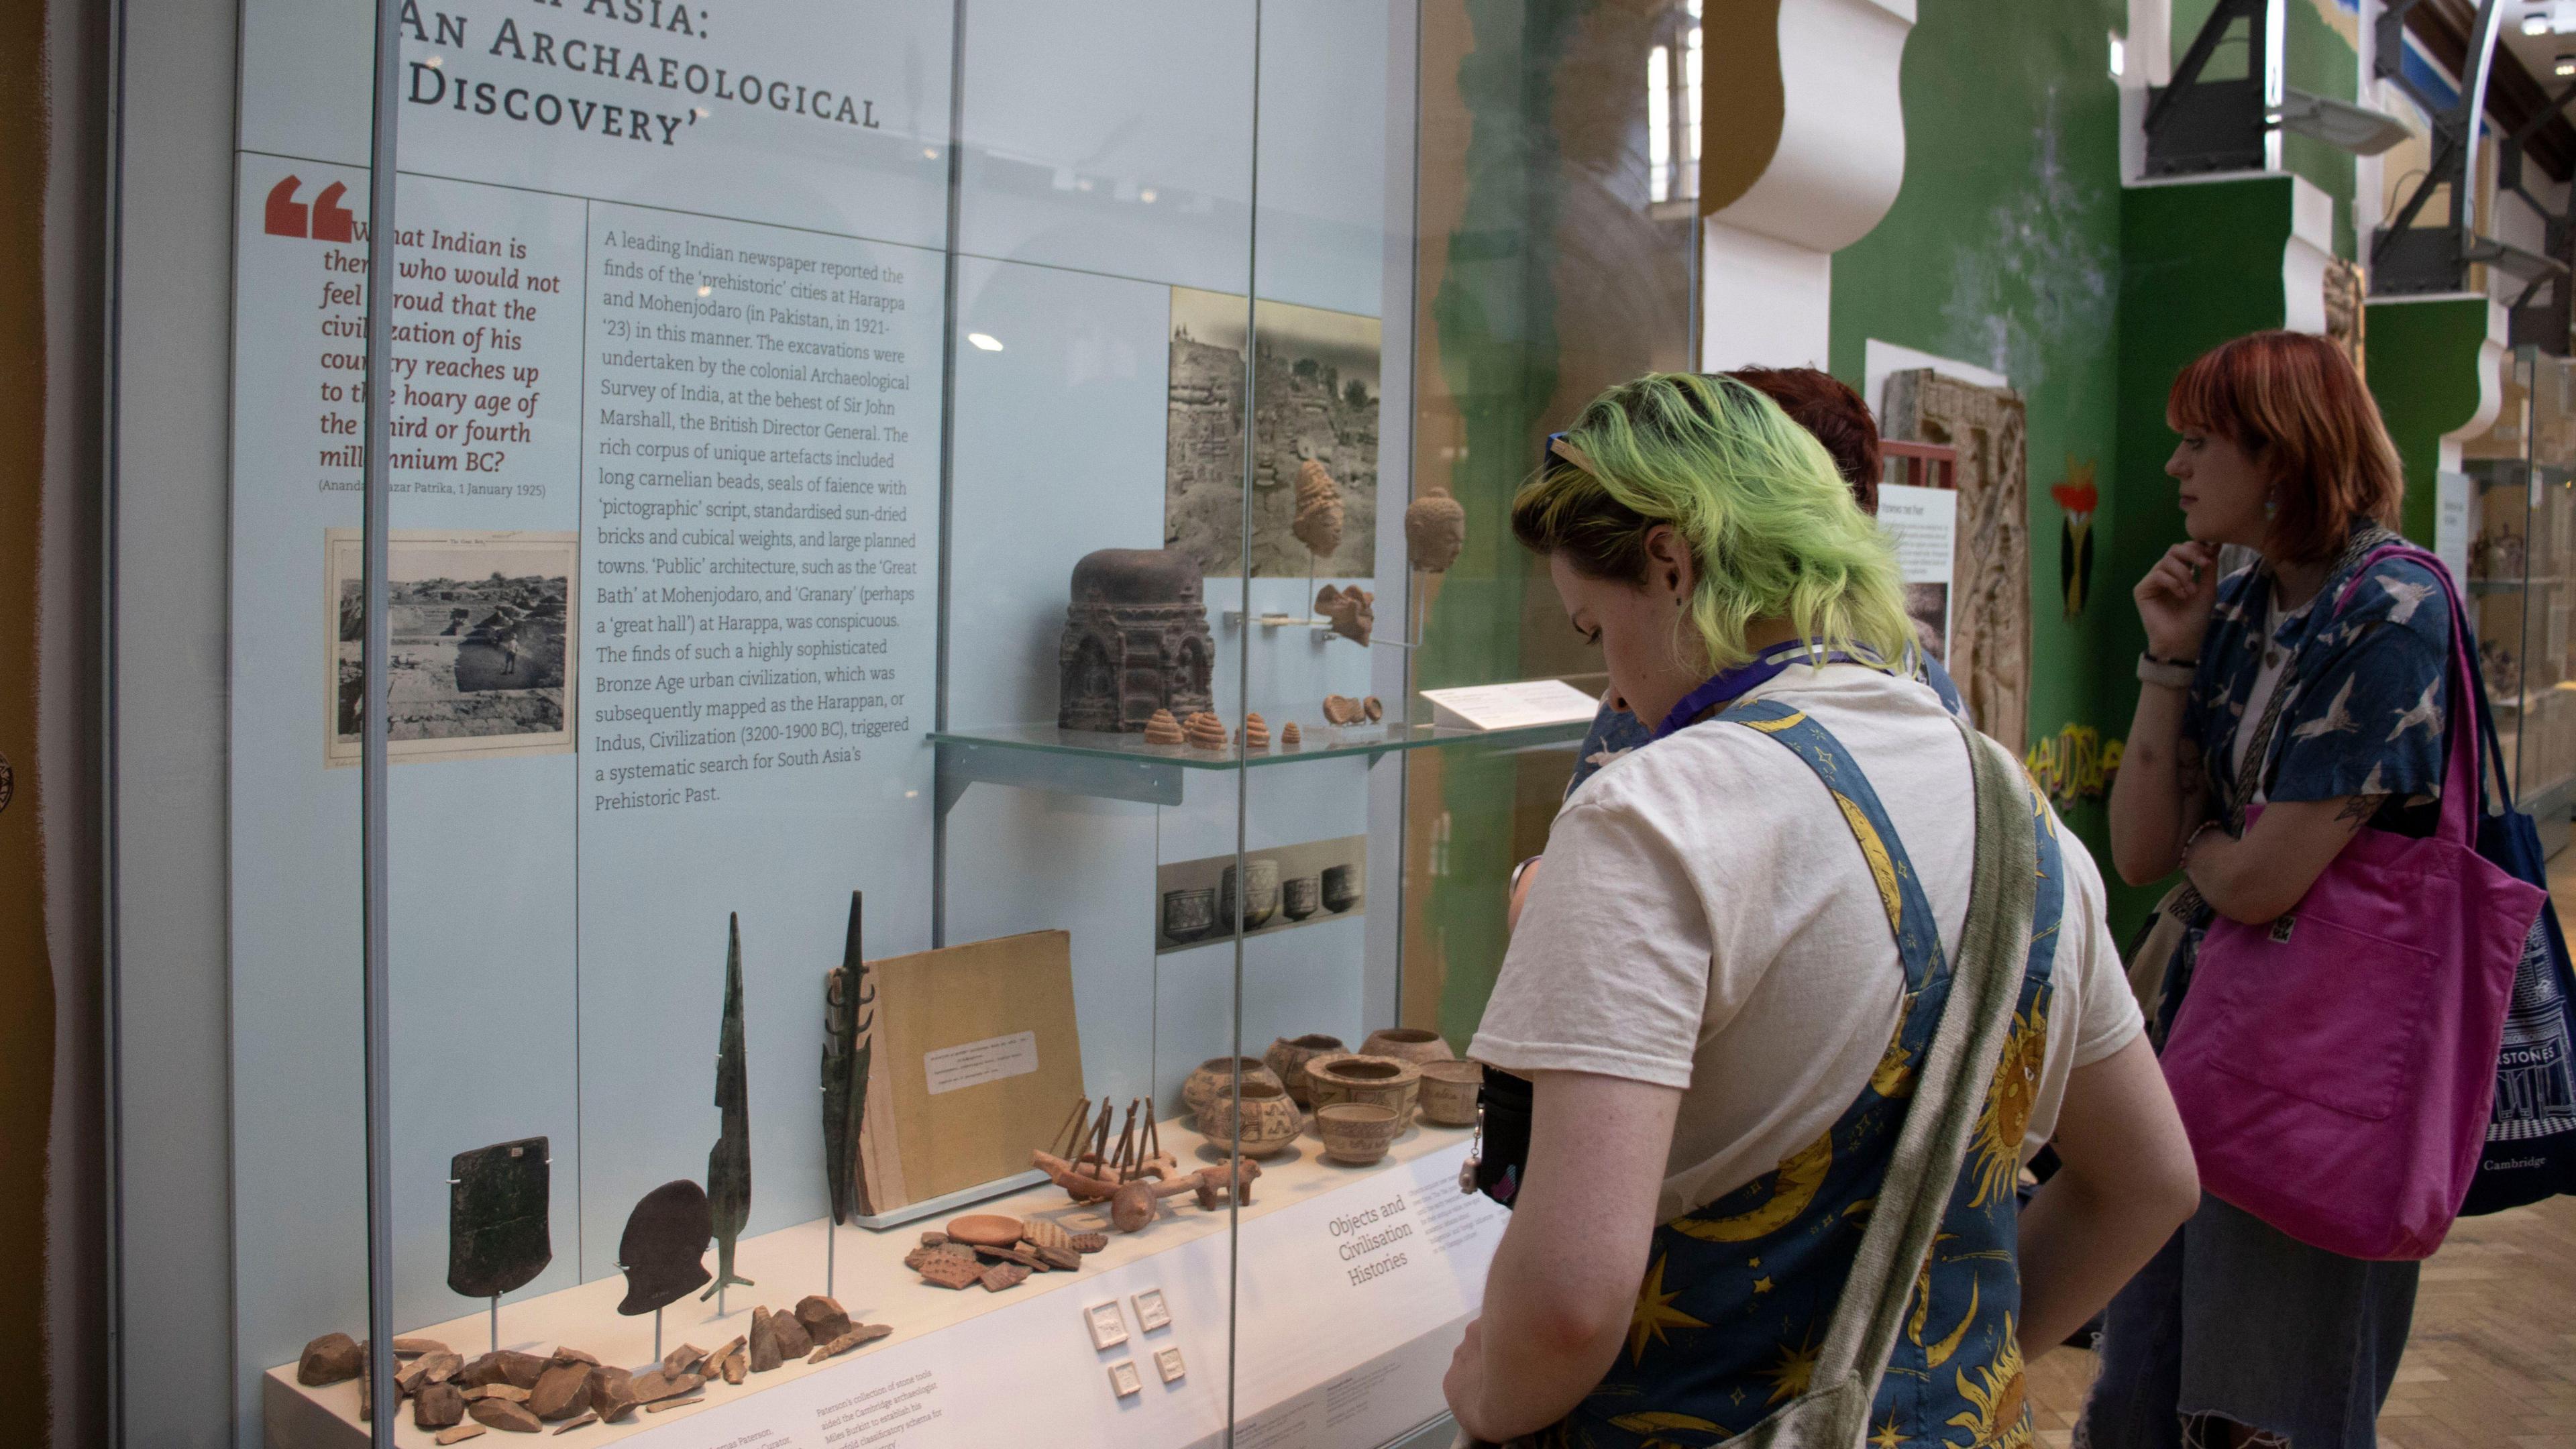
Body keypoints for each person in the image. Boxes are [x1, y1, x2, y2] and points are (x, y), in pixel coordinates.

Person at [1447, 372, 2199, 1446]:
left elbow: (1569, 1306)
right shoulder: (2012, 804)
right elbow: (2150, 1181)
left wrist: (1486, 1397)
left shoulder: (1650, 816)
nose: (1613, 690)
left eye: (1595, 627)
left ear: (1669, 562)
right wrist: (1915, 1383)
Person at [2088, 331, 2448, 1449]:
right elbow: (2144, 848)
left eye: (2200, 441)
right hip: (2205, 1050)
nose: (2175, 467)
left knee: (2272, 1407)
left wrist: (2214, 846)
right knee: (2143, 1388)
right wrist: (2168, 657)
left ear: (2281, 455)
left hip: (2319, 1071)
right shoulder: (2239, 598)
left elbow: (2254, 881)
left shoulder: (2392, 609)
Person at [1511, 365, 1962, 928]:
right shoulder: (1992, 781)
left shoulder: (1645, 804)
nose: (1619, 700)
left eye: (1594, 630)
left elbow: (1561, 920)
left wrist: (1541, 881)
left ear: (1676, 562)